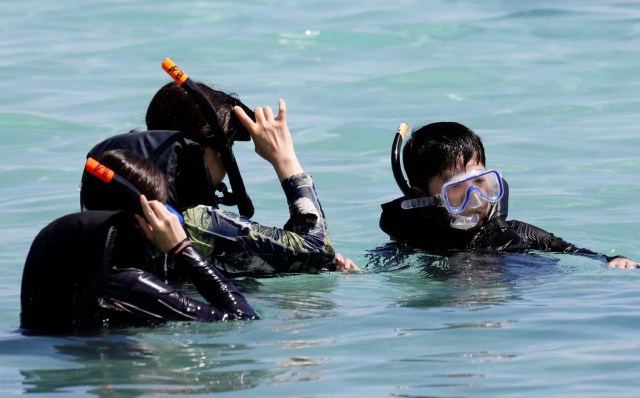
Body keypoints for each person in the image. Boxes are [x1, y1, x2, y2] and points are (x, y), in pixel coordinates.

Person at [82, 81, 357, 275]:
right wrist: (285, 160)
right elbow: (316, 248)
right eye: (228, 149)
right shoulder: (190, 222)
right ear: (203, 153)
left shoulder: (133, 209)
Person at [21, 149, 257, 335]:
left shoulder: (78, 263)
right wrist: (181, 248)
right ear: (150, 218)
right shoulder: (126, 281)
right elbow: (242, 318)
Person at [379, 121, 639, 269]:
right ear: (422, 196)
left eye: (482, 182)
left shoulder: (510, 233)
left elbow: (573, 251)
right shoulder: (412, 236)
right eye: (458, 188)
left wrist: (612, 259)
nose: (477, 197)